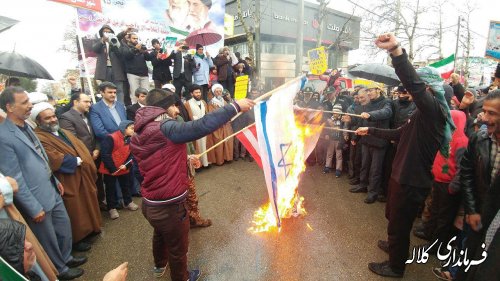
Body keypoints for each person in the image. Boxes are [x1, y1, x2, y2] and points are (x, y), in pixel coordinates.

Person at [130, 87, 254, 281]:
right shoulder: (165, 128)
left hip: (150, 203)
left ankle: (159, 266)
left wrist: (184, 157)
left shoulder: (140, 131)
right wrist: (235, 106)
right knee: (179, 249)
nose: (177, 110)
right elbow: (199, 127)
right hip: (170, 206)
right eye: (173, 105)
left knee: (160, 235)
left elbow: (151, 162)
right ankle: (183, 277)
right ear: (163, 108)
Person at [355, 33, 452, 278]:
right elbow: (399, 133)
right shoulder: (421, 115)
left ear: (430, 90)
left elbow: (414, 85)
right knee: (394, 217)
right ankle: (395, 245)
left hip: (411, 180)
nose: (412, 91)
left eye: (421, 87)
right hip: (402, 176)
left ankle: (395, 266)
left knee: (399, 222)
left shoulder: (434, 113)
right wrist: (371, 129)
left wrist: (396, 51)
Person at [0, 87, 87, 280]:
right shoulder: (4, 136)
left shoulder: (27, 126)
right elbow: (15, 176)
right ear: (9, 107)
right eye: (24, 103)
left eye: (28, 101)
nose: (30, 105)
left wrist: (54, 180)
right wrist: (32, 207)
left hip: (50, 188)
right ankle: (60, 270)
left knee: (63, 226)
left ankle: (66, 257)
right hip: (36, 197)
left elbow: (41, 158)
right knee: (48, 237)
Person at [31, 102, 102, 251]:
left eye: (53, 116)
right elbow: (51, 157)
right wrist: (75, 160)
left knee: (86, 202)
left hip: (81, 173)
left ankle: (91, 230)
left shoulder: (62, 131)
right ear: (38, 121)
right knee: (75, 208)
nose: (52, 120)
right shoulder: (39, 137)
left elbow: (79, 146)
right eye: (47, 118)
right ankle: (78, 239)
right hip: (67, 177)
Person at [455, 90, 500, 281]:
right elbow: (466, 173)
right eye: (485, 112)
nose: (486, 119)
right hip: (479, 217)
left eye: (493, 114)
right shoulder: (479, 139)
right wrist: (472, 210)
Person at [0, 174, 59, 281]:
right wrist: (5, 187)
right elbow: (11, 184)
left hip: (12, 224)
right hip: (6, 239)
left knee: (31, 262)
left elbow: (13, 184)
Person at [60, 93, 106, 211]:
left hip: (95, 154)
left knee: (98, 181)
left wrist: (97, 149)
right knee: (87, 185)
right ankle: (91, 210)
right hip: (82, 158)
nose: (89, 104)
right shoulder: (66, 117)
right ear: (75, 102)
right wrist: (87, 154)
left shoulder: (89, 115)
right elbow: (73, 141)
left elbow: (94, 134)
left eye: (90, 102)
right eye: (86, 101)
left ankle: (100, 203)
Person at [349, 85, 393, 204]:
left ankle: (373, 192)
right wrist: (355, 136)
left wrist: (370, 115)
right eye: (367, 91)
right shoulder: (368, 104)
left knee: (375, 169)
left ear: (378, 90)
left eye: (370, 90)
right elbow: (361, 122)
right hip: (366, 140)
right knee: (364, 165)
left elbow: (386, 113)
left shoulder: (387, 102)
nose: (368, 93)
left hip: (379, 142)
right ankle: (363, 185)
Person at [99, 120, 139, 220]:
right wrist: (112, 169)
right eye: (131, 128)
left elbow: (131, 155)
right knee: (110, 188)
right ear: (124, 129)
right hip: (110, 169)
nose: (134, 130)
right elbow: (105, 154)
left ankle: (128, 201)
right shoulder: (111, 138)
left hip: (123, 167)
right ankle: (111, 207)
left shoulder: (130, 139)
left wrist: (126, 166)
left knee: (126, 185)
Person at [92, 25, 127, 104]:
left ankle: (121, 107)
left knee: (119, 90)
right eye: (105, 32)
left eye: (109, 32)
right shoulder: (98, 40)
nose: (107, 33)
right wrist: (102, 41)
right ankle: (107, 107)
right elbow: (95, 49)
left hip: (116, 69)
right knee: (106, 89)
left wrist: (125, 32)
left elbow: (120, 38)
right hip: (104, 70)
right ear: (101, 33)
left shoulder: (115, 40)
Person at [120, 32, 153, 104]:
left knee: (146, 94)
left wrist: (145, 51)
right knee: (135, 94)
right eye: (134, 38)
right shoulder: (125, 47)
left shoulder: (140, 47)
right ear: (128, 39)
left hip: (144, 74)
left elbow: (148, 58)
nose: (136, 40)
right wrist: (135, 49)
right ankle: (135, 111)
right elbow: (127, 55)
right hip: (133, 74)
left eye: (137, 38)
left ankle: (146, 110)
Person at [206, 84, 234, 165]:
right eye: (217, 91)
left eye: (220, 91)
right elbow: (211, 114)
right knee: (219, 142)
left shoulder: (224, 101)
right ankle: (220, 160)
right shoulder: (211, 103)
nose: (218, 93)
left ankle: (227, 158)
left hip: (226, 125)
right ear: (214, 92)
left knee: (228, 141)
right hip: (218, 125)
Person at [184, 85, 210, 167]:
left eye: (199, 92)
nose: (198, 94)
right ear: (192, 94)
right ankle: (198, 165)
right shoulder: (187, 104)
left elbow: (207, 113)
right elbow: (187, 117)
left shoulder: (203, 102)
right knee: (197, 146)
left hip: (204, 127)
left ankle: (205, 163)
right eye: (196, 92)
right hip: (194, 128)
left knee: (204, 145)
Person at [322, 104, 347, 177]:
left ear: (340, 112)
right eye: (334, 112)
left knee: (339, 155)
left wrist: (345, 136)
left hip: (339, 140)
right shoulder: (330, 119)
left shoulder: (342, 120)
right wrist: (326, 134)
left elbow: (344, 129)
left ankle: (338, 169)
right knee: (329, 153)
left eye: (336, 112)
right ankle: (327, 166)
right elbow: (326, 128)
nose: (334, 113)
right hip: (331, 139)